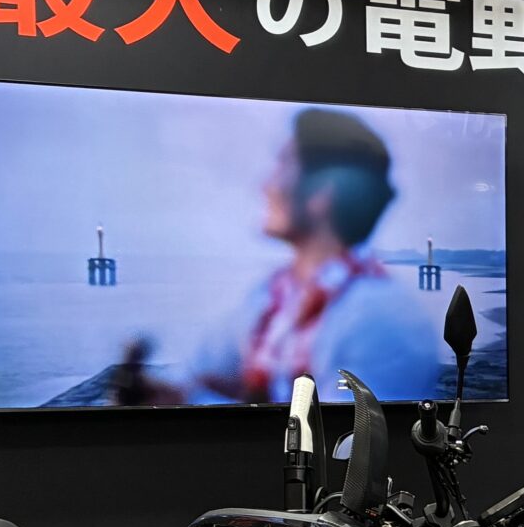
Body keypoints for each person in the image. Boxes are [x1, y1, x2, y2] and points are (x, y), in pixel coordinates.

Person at [164, 107, 443, 405]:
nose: (266, 186)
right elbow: (202, 368)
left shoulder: (382, 318)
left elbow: (339, 430)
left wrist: (191, 400)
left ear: (322, 194)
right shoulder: (274, 296)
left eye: (283, 165)